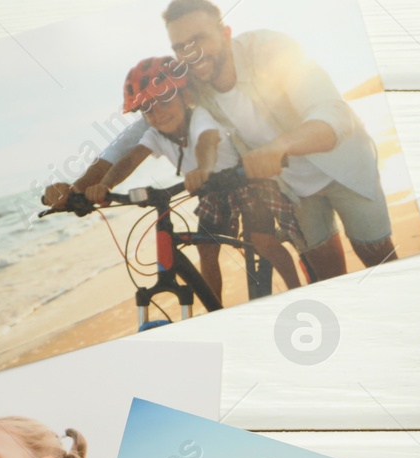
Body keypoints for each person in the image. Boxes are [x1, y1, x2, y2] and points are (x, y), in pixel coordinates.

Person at [44, 0, 395, 284]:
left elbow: (332, 115)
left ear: (225, 33)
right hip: (293, 189)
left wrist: (280, 147)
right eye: (181, 47)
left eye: (199, 39)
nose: (192, 53)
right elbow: (134, 136)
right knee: (329, 280)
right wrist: (76, 189)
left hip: (344, 169)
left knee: (380, 262)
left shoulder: (270, 49)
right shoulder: (192, 79)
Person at [94, 55, 304, 302]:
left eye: (164, 101)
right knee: (206, 249)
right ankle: (215, 307)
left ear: (184, 97)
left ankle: (298, 291)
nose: (158, 113)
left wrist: (204, 168)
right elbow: (131, 159)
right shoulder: (156, 134)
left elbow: (208, 141)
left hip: (243, 184)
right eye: (148, 109)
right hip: (210, 193)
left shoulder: (200, 116)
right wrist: (104, 185)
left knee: (263, 242)